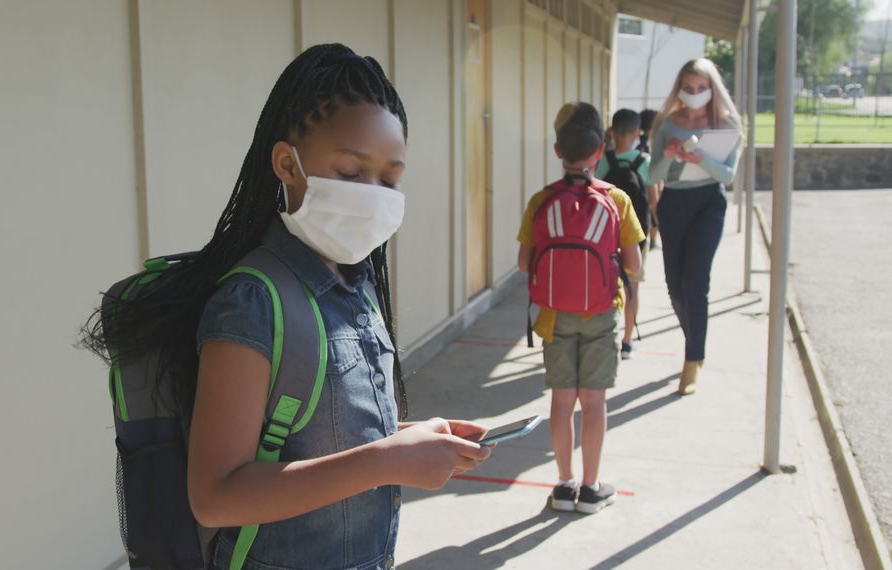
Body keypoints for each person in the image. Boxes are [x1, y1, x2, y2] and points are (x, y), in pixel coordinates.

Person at [85, 44, 491, 570]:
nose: (375, 195)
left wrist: (409, 441)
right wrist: (384, 461)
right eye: (350, 172)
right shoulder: (252, 301)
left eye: (391, 180)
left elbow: (325, 440)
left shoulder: (358, 283)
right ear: (287, 164)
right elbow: (216, 496)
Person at [517, 103, 644, 515]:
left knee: (561, 401)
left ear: (558, 151)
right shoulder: (618, 200)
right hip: (601, 313)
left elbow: (524, 263)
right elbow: (634, 266)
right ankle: (590, 489)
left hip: (554, 315)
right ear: (599, 150)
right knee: (593, 402)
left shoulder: (541, 200)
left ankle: (563, 485)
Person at [648, 58, 742, 396]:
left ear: (713, 89)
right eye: (688, 87)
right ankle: (695, 339)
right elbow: (653, 176)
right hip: (674, 203)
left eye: (701, 88)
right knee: (675, 287)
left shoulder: (728, 124)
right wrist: (670, 156)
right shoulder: (667, 124)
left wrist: (702, 158)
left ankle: (692, 361)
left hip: (709, 205)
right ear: (679, 88)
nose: (695, 94)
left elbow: (729, 176)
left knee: (695, 283)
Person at [596, 109, 656, 360]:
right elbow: (653, 199)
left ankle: (601, 336)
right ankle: (628, 341)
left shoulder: (605, 160)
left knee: (604, 283)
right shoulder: (643, 161)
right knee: (632, 287)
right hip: (636, 232)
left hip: (605, 233)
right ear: (636, 133)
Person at [639, 109, 662, 250]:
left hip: (639, 181)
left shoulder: (637, 139)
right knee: (653, 210)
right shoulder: (654, 140)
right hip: (651, 179)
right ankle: (652, 239)